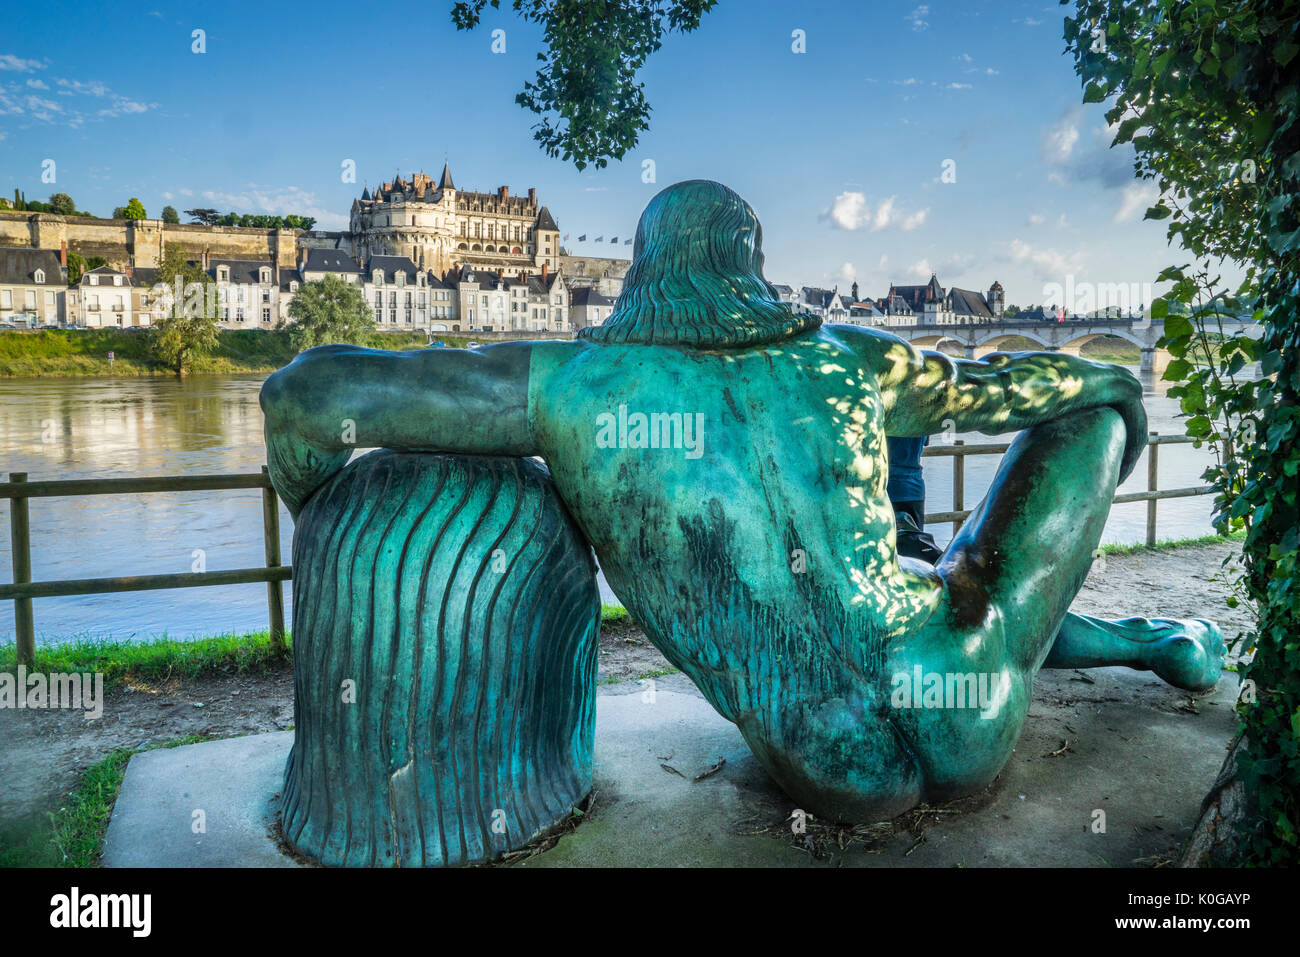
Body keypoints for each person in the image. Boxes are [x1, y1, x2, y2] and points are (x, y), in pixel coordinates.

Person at [261, 180, 1225, 822]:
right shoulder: (847, 354)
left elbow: (303, 393)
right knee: (981, 549)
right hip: (964, 692)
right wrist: (1116, 399)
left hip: (827, 757)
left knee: (924, 572)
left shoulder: (570, 388)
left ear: (643, 265)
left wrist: (323, 518)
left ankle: (1135, 637)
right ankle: (1138, 635)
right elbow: (1007, 389)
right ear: (750, 264)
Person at [885, 434, 942, 563]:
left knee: (888, 550)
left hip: (888, 488)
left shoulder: (885, 419)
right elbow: (924, 442)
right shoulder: (921, 417)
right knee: (913, 546)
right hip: (915, 490)